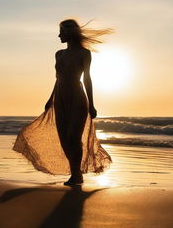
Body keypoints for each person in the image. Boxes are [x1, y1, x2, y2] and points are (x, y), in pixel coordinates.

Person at [13, 18, 113, 186]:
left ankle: (76, 175)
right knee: (64, 139)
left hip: (78, 97)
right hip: (60, 97)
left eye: (62, 32)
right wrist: (50, 99)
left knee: (73, 137)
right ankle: (76, 173)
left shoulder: (84, 53)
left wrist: (92, 103)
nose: (59, 35)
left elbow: (87, 78)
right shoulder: (59, 54)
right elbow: (58, 78)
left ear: (70, 33)